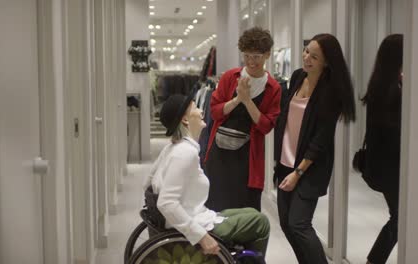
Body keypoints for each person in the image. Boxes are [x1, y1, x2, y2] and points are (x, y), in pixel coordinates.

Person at [143, 93, 270, 262]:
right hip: (193, 225)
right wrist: (201, 236)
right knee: (260, 222)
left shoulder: (172, 148)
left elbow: (147, 184)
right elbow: (166, 203)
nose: (202, 111)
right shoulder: (184, 153)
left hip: (192, 216)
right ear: (185, 120)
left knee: (250, 212)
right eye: (195, 108)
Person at [273, 33, 356, 264]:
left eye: (314, 56)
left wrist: (298, 172)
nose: (306, 57)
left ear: (327, 62)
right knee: (286, 223)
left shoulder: (331, 91)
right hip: (284, 162)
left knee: (298, 223)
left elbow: (321, 139)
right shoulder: (298, 76)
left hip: (309, 167)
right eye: (306, 51)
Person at [204, 27, 281, 212]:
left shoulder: (273, 87)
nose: (251, 62)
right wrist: (237, 99)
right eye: (246, 56)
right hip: (220, 153)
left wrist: (247, 101)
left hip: (248, 157)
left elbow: (266, 126)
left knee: (246, 208)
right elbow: (215, 112)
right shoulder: (230, 77)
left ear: (267, 55)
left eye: (256, 56)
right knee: (217, 206)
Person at [362, 34, 403, 264]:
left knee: (399, 217)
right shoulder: (393, 89)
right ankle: (374, 260)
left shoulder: (381, 83)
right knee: (400, 218)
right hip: (393, 166)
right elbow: (395, 131)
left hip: (384, 165)